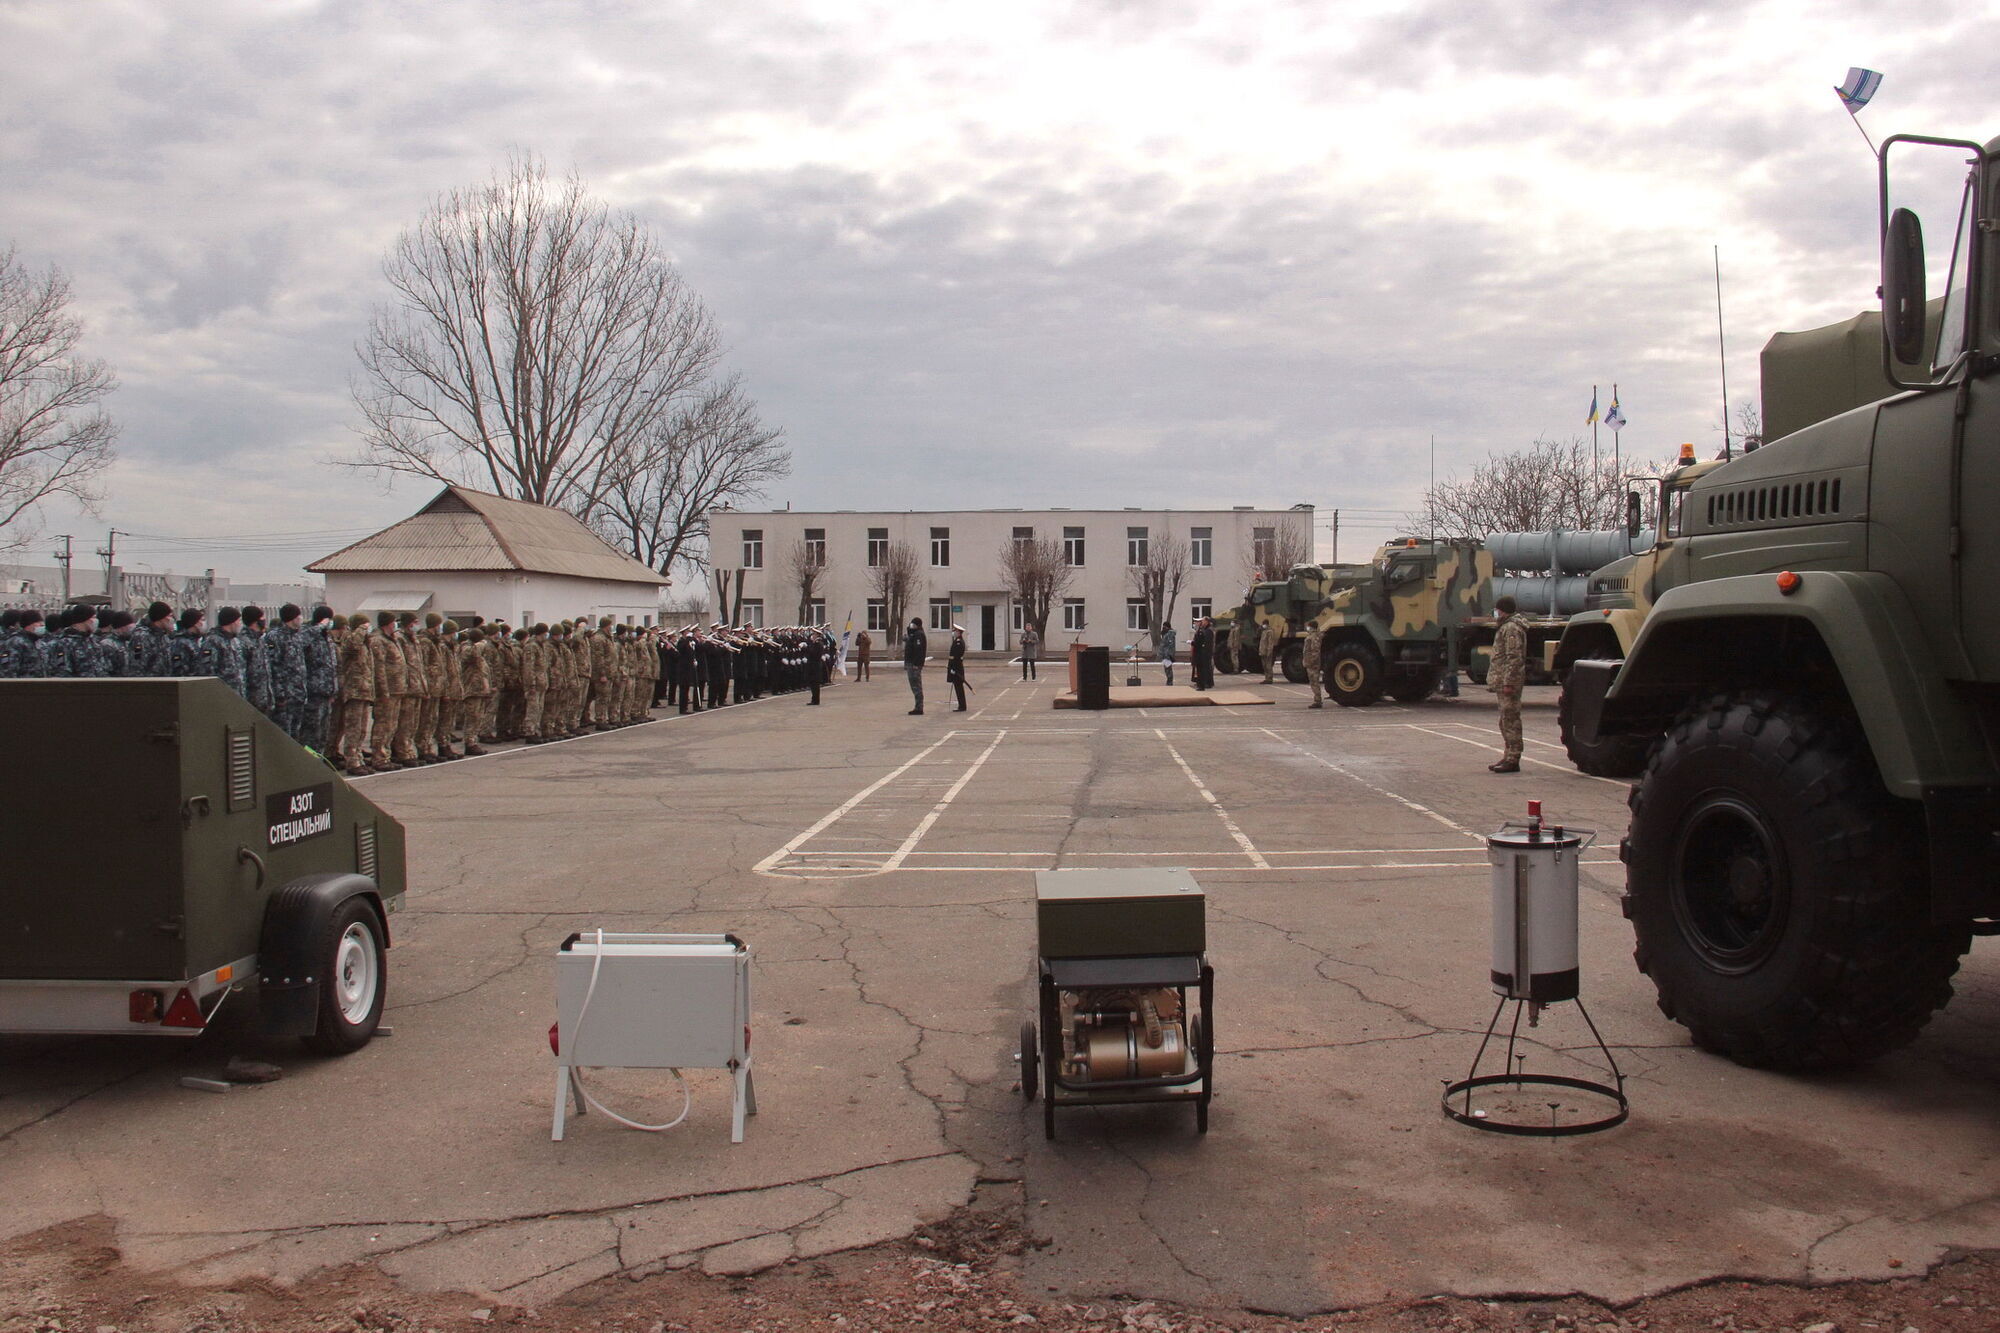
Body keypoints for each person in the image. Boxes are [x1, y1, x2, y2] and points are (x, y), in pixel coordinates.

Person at [1488, 595, 1528, 773]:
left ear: (1502, 610)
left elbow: (1514, 657)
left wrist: (1509, 682)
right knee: (1505, 720)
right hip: (1503, 679)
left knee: (1510, 719)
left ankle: (1513, 758)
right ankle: (1508, 754)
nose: (1495, 613)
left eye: (1497, 610)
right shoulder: (1505, 627)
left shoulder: (1511, 628)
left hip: (1509, 681)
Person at [903, 617, 927, 715]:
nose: (911, 625)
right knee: (914, 686)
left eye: (913, 624)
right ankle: (917, 706)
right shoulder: (914, 634)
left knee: (916, 686)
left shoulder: (919, 635)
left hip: (914, 665)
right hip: (911, 663)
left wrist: (917, 664)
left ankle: (919, 708)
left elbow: (919, 651)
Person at [1302, 621, 1325, 708]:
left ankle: (1318, 701)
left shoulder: (1314, 637)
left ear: (1311, 627)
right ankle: (1317, 699)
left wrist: (1311, 661)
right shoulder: (1312, 636)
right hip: (1310, 662)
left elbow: (1315, 650)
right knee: (1313, 682)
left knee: (1314, 682)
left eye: (1308, 626)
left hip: (1312, 663)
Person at [946, 623, 968, 712]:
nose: (953, 632)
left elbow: (957, 657)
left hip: (957, 668)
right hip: (955, 667)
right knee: (958, 687)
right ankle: (961, 705)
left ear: (958, 632)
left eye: (954, 630)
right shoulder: (957, 641)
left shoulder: (959, 642)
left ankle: (962, 706)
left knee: (959, 688)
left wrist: (953, 668)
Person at [1190, 617, 1215, 691]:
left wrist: (1193, 643)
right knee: (1202, 669)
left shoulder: (1208, 631)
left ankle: (1206, 683)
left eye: (1202, 621)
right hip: (1201, 653)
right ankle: (1202, 683)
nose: (1201, 623)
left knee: (1205, 669)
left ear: (1207, 622)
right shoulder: (1203, 630)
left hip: (1204, 653)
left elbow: (1205, 643)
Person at [1259, 616, 1283, 684]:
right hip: (1263, 651)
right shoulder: (1264, 631)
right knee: (1264, 665)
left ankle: (1269, 678)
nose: (1263, 625)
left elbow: (1270, 643)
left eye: (1263, 624)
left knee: (1268, 665)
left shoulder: (1270, 632)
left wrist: (1269, 651)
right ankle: (1266, 678)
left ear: (1266, 624)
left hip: (1267, 651)